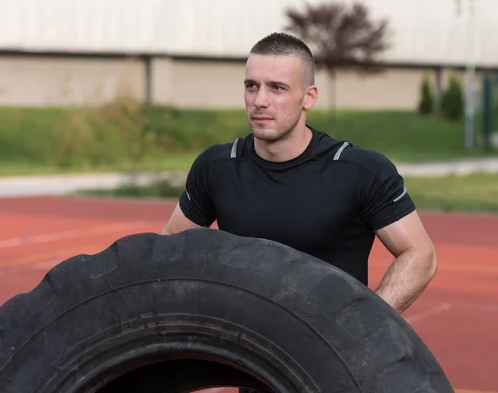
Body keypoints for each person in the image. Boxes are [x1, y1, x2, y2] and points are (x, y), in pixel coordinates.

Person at [162, 32, 437, 315]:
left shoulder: (359, 170)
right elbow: (170, 246)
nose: (260, 100)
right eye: (251, 86)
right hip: (243, 345)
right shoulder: (217, 166)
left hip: (326, 350)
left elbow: (420, 255)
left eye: (277, 88)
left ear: (309, 97)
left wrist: (365, 322)